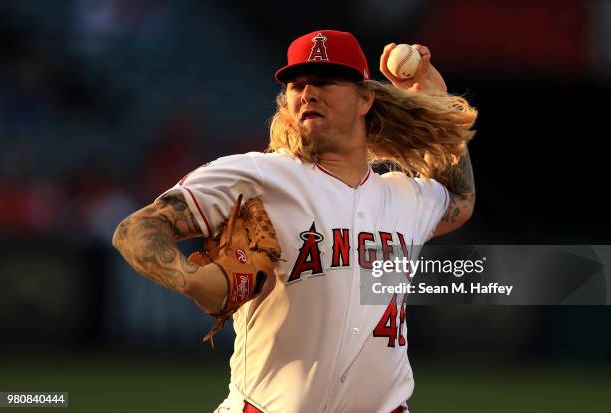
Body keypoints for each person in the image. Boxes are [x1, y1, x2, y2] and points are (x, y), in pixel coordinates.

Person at [112, 29, 477, 413]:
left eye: (324, 81)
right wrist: (190, 279)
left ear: (365, 97)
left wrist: (438, 99)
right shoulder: (258, 176)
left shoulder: (406, 196)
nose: (308, 93)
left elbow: (461, 199)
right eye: (297, 84)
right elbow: (135, 230)